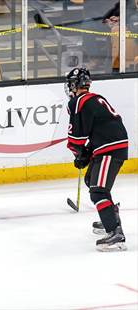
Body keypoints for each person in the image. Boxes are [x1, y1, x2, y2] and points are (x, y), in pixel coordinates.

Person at [65, 67, 128, 252]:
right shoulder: (95, 98)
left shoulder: (77, 102)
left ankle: (115, 232)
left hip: (109, 148)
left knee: (98, 191)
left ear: (75, 85)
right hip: (110, 145)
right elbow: (100, 128)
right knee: (90, 180)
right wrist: (87, 152)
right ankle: (110, 215)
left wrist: (79, 154)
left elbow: (76, 139)